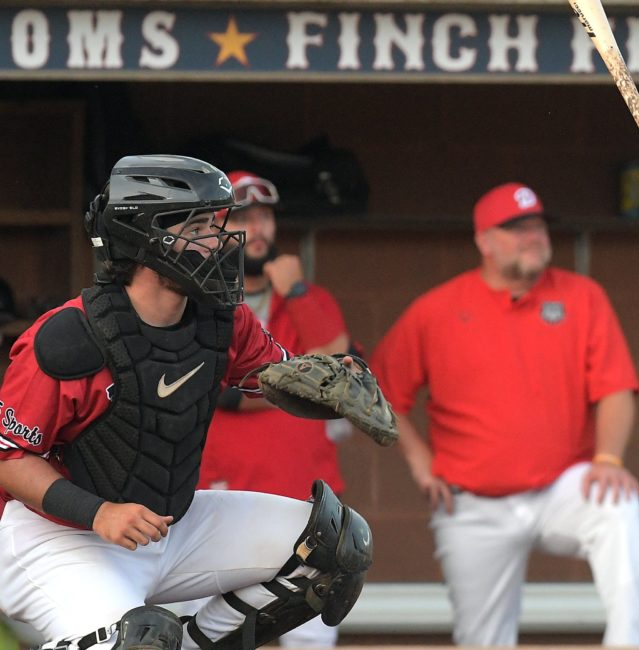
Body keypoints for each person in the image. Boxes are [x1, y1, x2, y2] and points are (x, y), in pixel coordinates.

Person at [0, 155, 372, 650]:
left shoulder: (221, 320)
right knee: (139, 642)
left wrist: (334, 386)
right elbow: (9, 459)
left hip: (168, 522)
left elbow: (278, 378)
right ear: (145, 239)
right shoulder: (67, 338)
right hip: (59, 535)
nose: (218, 240)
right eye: (199, 226)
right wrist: (99, 512)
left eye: (215, 225)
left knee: (333, 544)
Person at [370, 182, 639, 647]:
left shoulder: (582, 296)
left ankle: (629, 643)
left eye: (538, 225)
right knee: (481, 639)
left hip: (564, 486)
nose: (533, 236)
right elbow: (377, 392)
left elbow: (616, 387)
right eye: (516, 228)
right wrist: (420, 462)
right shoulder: (437, 309)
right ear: (483, 241)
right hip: (473, 501)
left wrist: (609, 458)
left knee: (619, 507)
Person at [192, 171, 353, 648]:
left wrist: (298, 293)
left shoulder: (308, 299)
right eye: (242, 217)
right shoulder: (195, 302)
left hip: (303, 497)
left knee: (308, 639)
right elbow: (205, 387)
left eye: (264, 216)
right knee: (205, 636)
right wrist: (291, 388)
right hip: (216, 496)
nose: (258, 228)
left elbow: (337, 376)